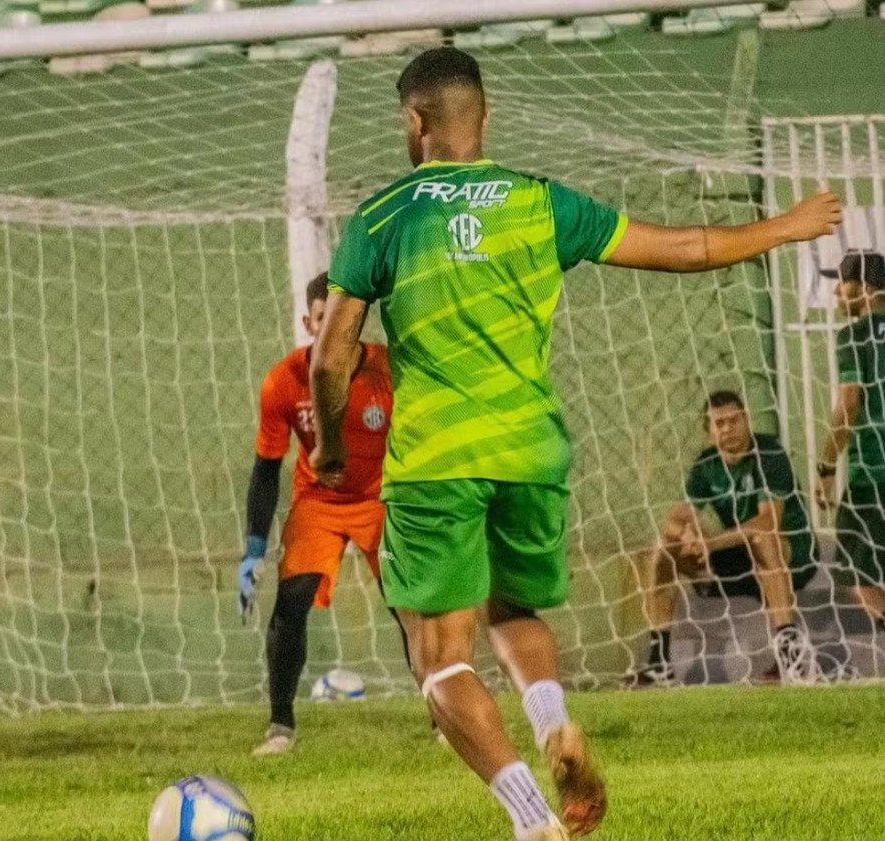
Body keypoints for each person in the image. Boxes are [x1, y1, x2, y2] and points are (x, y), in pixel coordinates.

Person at [307, 47, 841, 841]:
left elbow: (333, 353)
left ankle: (532, 819)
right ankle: (553, 720)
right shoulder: (539, 202)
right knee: (512, 603)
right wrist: (789, 225)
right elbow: (685, 249)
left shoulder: (385, 216)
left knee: (440, 656)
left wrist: (327, 452)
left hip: (438, 460)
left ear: (413, 124)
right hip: (532, 452)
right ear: (483, 118)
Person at [237, 272, 408, 756]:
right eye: (319, 322)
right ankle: (280, 728)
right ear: (308, 322)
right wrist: (253, 548)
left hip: (381, 497)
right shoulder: (283, 382)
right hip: (319, 501)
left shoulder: (390, 371)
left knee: (411, 605)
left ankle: (444, 718)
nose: (330, 333)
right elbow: (266, 468)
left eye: (340, 323)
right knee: (290, 604)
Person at [632, 390, 818, 687]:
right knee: (663, 549)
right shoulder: (707, 464)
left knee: (764, 538)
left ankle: (789, 656)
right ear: (709, 432)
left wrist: (711, 543)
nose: (728, 428)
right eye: (720, 424)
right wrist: (688, 533)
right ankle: (659, 661)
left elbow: (768, 522)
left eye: (735, 420)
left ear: (747, 420)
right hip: (739, 555)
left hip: (792, 554)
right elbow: (674, 518)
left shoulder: (769, 453)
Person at [816, 250, 885, 632]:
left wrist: (826, 467)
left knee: (853, 570)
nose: (837, 295)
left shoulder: (855, 336)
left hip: (873, 472)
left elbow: (849, 402)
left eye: (841, 285)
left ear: (862, 287)